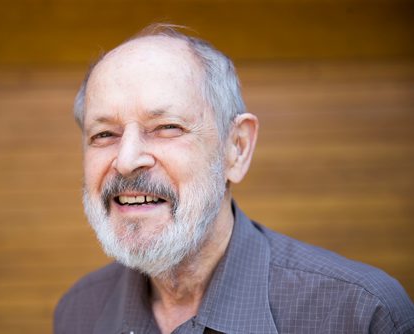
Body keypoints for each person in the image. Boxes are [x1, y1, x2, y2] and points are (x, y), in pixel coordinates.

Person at [54, 24, 414, 334]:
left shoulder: (359, 313)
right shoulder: (80, 311)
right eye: (104, 134)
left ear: (237, 148)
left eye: (166, 127)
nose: (127, 160)